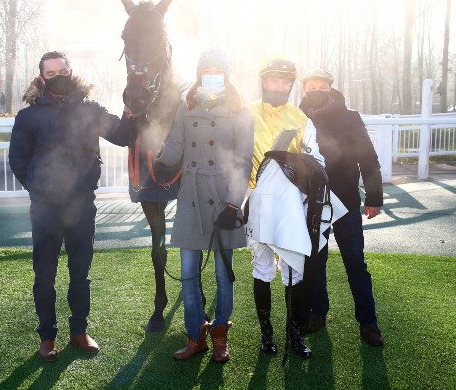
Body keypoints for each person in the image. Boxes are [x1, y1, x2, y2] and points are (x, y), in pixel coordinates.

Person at [9, 51, 131, 362]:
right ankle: (47, 336)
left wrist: (131, 111)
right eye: (50, 74)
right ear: (42, 78)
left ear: (71, 71)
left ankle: (79, 330)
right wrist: (40, 190)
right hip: (45, 207)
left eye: (62, 71)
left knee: (80, 272)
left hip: (82, 204)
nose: (58, 77)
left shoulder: (89, 109)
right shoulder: (29, 116)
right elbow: (18, 161)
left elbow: (122, 136)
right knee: (44, 274)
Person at [157, 47, 254, 363]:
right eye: (207, 71)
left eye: (218, 71)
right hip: (191, 196)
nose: (212, 76)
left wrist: (233, 204)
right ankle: (195, 337)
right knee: (188, 274)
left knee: (224, 275)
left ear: (226, 74)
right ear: (200, 74)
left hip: (224, 198)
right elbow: (175, 145)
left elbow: (243, 160)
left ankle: (220, 336)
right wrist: (158, 156)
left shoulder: (240, 108)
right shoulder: (186, 105)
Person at [299, 69, 384, 347]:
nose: (316, 90)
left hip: (346, 200)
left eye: (321, 86)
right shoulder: (297, 117)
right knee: (315, 260)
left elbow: (368, 158)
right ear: (304, 89)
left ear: (330, 88)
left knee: (355, 261)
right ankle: (317, 312)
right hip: (312, 200)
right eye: (311, 86)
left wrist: (374, 196)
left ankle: (368, 321)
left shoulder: (349, 118)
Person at [248, 56, 326, 359]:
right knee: (262, 266)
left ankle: (295, 332)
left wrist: (304, 161)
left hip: (292, 202)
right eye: (273, 80)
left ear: (290, 85)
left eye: (284, 82)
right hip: (257, 199)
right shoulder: (246, 114)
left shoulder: (301, 118)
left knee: (293, 268)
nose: (278, 86)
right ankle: (266, 333)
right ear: (263, 81)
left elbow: (317, 159)